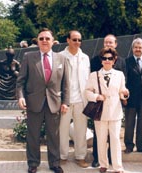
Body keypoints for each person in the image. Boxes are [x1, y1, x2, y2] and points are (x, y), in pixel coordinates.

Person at [16, 28, 70, 173]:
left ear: (53, 41)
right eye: (41, 39)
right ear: (37, 41)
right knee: (33, 135)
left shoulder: (62, 59)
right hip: (34, 103)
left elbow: (66, 83)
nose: (44, 41)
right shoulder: (29, 57)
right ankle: (33, 164)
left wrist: (65, 102)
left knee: (54, 136)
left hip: (54, 103)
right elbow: (20, 81)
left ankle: (54, 163)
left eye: (47, 38)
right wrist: (21, 97)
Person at [85, 47, 129, 173]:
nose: (107, 60)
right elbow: (87, 91)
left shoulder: (120, 75)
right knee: (101, 139)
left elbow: (122, 92)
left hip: (115, 112)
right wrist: (96, 96)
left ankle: (117, 167)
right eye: (105, 58)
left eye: (110, 58)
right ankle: (103, 164)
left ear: (114, 60)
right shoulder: (94, 75)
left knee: (115, 140)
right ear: (101, 60)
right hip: (100, 112)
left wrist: (125, 93)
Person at [59, 30, 90, 168]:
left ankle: (80, 156)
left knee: (81, 130)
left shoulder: (85, 58)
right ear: (68, 40)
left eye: (79, 40)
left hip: (81, 101)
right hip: (64, 101)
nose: (77, 42)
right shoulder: (59, 56)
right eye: (74, 39)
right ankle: (62, 156)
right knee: (62, 130)